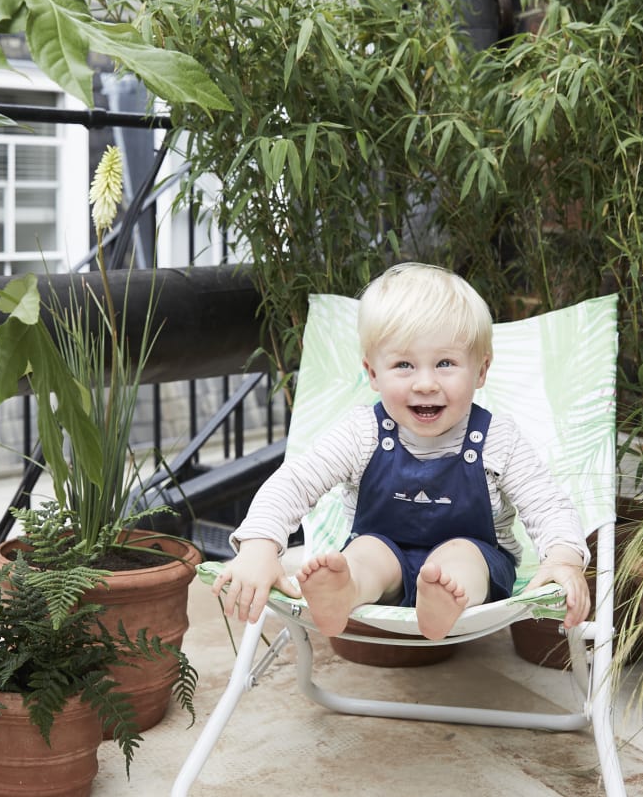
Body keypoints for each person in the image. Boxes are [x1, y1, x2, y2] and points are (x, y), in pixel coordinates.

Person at [212, 263, 591, 641]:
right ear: (373, 374)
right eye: (404, 365)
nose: (425, 383)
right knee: (366, 553)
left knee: (461, 558)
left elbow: (548, 504)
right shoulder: (361, 433)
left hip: (476, 559)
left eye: (445, 363)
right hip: (384, 551)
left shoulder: (497, 440)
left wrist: (563, 558)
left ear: (481, 371)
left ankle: (443, 597)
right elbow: (294, 483)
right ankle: (347, 589)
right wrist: (259, 546)